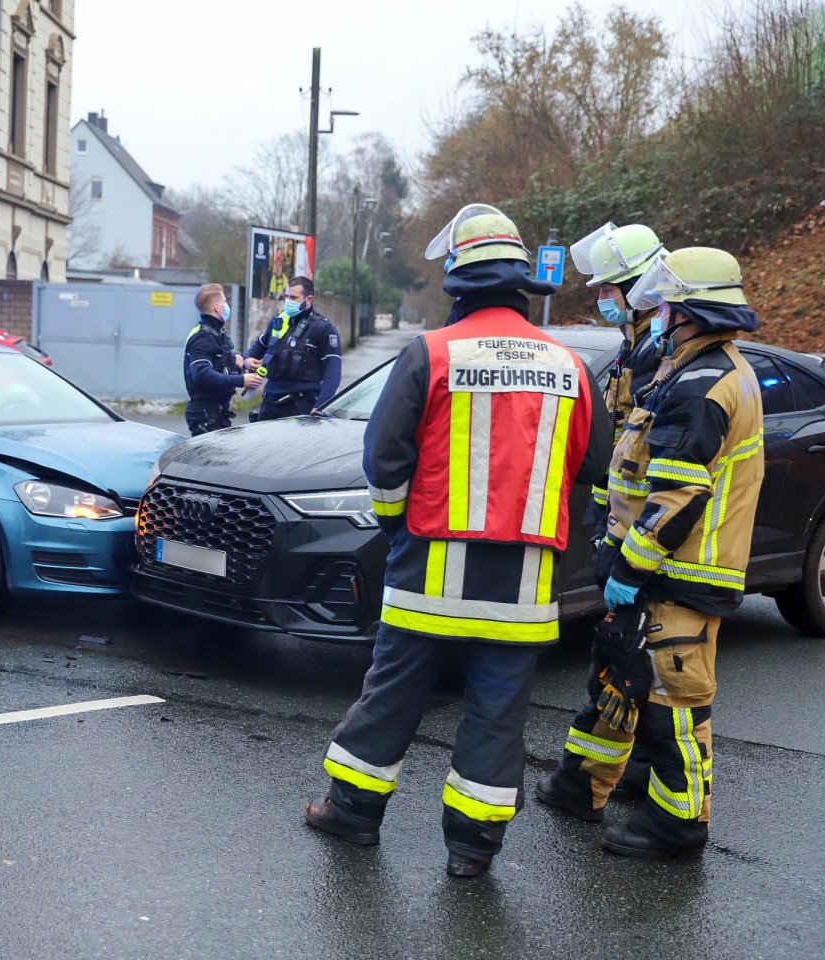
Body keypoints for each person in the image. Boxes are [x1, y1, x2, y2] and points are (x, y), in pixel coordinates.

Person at [303, 204, 612, 877]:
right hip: (523, 588)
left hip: (428, 578)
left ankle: (352, 817)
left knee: (391, 696)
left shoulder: (432, 353)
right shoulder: (569, 366)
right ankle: (471, 851)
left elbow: (383, 458)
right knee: (497, 714)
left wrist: (396, 523)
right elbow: (592, 466)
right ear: (521, 284)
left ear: (458, 283)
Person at [534, 247, 764, 859]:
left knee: (672, 702)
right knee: (617, 678)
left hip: (682, 571)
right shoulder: (682, 369)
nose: (654, 313)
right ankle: (581, 786)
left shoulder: (701, 385)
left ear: (690, 311)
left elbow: (678, 494)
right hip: (657, 564)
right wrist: (613, 546)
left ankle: (677, 826)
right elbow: (639, 476)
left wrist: (630, 565)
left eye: (663, 303)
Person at [569, 223, 665, 540]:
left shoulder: (655, 352)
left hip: (635, 518)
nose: (600, 299)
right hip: (616, 510)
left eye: (608, 291)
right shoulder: (633, 343)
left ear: (637, 288)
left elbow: (648, 449)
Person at [244, 277, 341, 421]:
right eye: (287, 296)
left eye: (294, 297)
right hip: (269, 403)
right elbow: (260, 345)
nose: (288, 301)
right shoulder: (280, 320)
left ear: (309, 299)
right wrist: (247, 359)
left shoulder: (324, 329)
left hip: (300, 405)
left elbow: (333, 373)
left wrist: (320, 406)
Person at [183, 284, 263, 436]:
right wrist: (242, 380)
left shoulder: (216, 333)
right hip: (205, 414)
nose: (227, 306)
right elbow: (202, 374)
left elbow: (221, 359)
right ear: (217, 307)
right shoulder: (202, 338)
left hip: (218, 412)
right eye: (225, 302)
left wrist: (241, 361)